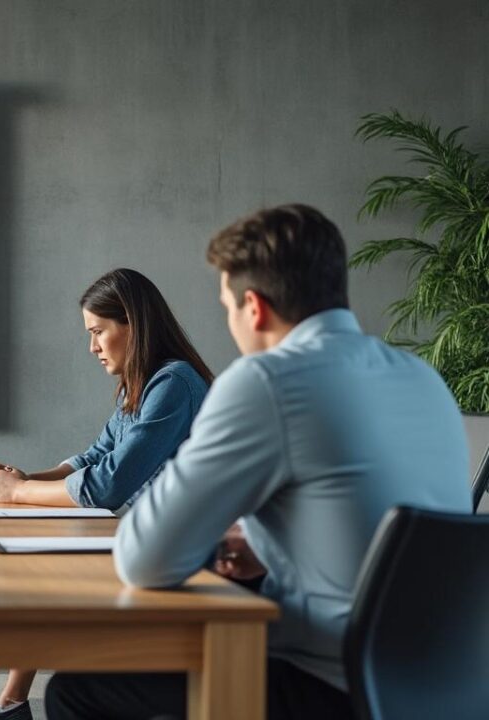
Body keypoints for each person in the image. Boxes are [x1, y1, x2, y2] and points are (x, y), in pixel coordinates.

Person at [45, 204, 471, 720]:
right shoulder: (423, 379)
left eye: (228, 307)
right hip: (446, 688)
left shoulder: (266, 380)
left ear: (254, 307)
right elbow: (376, 528)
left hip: (331, 687)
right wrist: (264, 542)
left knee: (75, 690)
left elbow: (144, 560)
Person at [0, 268, 213, 720]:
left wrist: (21, 492)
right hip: (150, 537)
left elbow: (108, 484)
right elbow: (94, 457)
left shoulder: (173, 384)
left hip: (182, 553)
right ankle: (11, 704)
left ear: (132, 325)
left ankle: (9, 706)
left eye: (98, 332)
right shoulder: (141, 384)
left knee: (43, 576)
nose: (93, 347)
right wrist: (24, 478)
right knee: (37, 573)